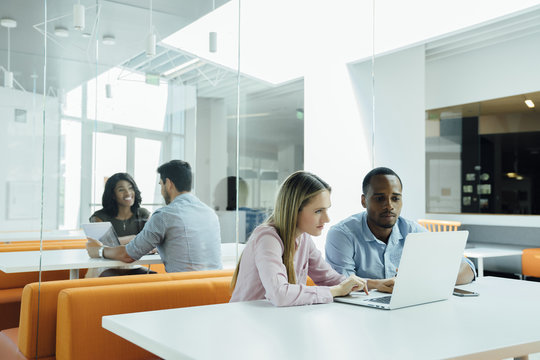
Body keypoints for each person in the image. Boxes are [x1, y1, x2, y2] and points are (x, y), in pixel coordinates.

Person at [230, 171, 372, 307]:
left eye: (326, 209)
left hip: (277, 319)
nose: (327, 219)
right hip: (246, 323)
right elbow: (280, 294)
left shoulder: (304, 238)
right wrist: (336, 291)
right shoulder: (267, 238)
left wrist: (365, 284)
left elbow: (328, 278)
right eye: (318, 211)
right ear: (294, 210)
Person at [325, 167, 475, 290]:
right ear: (364, 201)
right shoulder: (342, 234)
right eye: (379, 198)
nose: (389, 206)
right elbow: (341, 284)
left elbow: (467, 268)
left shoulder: (412, 231)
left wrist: (425, 281)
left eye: (395, 198)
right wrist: (378, 285)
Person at [86, 160, 222, 272]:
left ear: (168, 184)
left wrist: (99, 251)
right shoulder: (210, 213)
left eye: (161, 185)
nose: (161, 190)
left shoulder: (164, 215)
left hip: (183, 291)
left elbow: (128, 255)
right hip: (215, 291)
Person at [86, 172, 151, 277]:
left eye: (130, 188)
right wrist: (134, 238)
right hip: (105, 266)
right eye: (121, 190)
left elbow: (150, 241)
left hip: (133, 265)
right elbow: (100, 245)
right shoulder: (99, 217)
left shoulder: (143, 214)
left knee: (153, 280)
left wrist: (127, 240)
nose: (128, 193)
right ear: (112, 195)